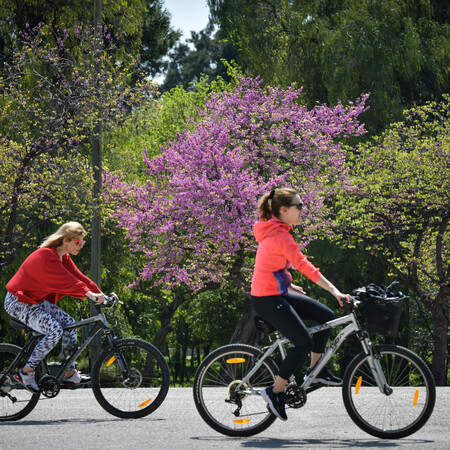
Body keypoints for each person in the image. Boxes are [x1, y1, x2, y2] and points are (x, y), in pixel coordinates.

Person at [250, 188, 352, 421]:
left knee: (326, 316)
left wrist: (288, 284)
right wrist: (335, 290)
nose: (302, 210)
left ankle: (317, 371)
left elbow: (271, 264)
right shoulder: (279, 236)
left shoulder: (278, 232)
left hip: (277, 291)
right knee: (303, 342)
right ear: (283, 210)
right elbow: (305, 266)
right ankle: (275, 392)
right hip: (266, 298)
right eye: (299, 206)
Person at [4, 221, 105, 393]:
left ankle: (69, 372)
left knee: (70, 323)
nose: (81, 246)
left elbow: (80, 278)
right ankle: (26, 372)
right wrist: (90, 295)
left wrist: (102, 294)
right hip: (19, 301)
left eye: (83, 243)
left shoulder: (63, 257)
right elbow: (69, 281)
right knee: (55, 330)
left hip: (35, 300)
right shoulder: (47, 256)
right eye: (78, 242)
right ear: (66, 240)